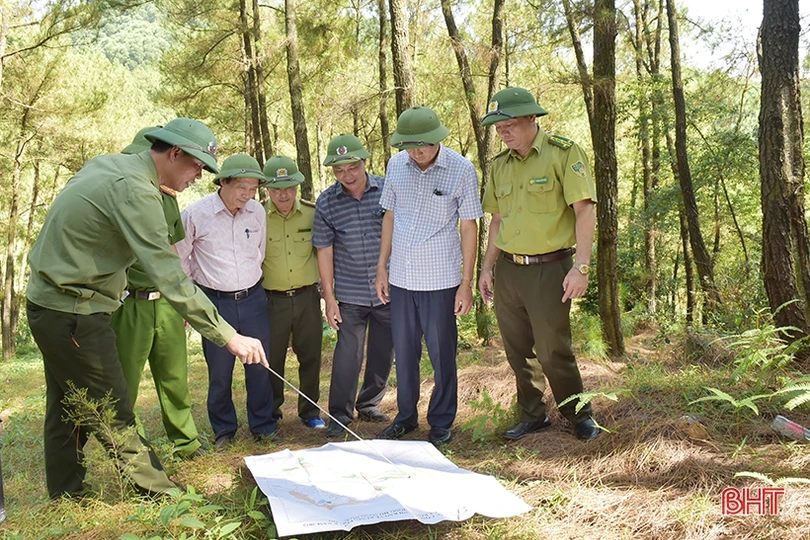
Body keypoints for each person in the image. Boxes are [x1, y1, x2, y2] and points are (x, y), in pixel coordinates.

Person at [26, 118, 268, 499]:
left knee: (67, 405)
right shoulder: (137, 191)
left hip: (52, 305)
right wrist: (228, 335)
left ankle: (68, 493)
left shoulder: (111, 165)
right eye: (196, 167)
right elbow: (169, 275)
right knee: (113, 409)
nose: (197, 177)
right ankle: (162, 495)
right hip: (74, 312)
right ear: (174, 153)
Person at [478, 86, 601, 441]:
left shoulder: (563, 154)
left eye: (510, 125)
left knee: (552, 349)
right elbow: (497, 221)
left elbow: (584, 210)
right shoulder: (499, 166)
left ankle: (579, 416)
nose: (503, 133)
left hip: (551, 268)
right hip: (510, 271)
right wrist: (487, 269)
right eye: (499, 128)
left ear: (532, 118)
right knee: (518, 350)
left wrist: (581, 266)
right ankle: (533, 415)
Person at [375, 107, 482, 446]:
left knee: (441, 353)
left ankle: (440, 422)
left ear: (437, 139)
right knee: (404, 354)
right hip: (402, 277)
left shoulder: (462, 170)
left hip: (441, 279)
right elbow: (389, 216)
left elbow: (469, 226)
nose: (416, 152)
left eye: (422, 145)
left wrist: (466, 282)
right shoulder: (396, 165)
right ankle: (406, 417)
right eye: (409, 146)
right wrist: (382, 266)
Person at [110, 126, 204, 459]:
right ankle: (129, 448)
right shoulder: (122, 191)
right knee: (126, 380)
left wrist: (181, 304)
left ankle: (187, 442)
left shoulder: (166, 198)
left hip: (164, 301)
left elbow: (173, 249)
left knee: (175, 375)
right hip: (129, 303)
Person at [175, 154, 277, 448]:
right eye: (241, 187)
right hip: (214, 302)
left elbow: (258, 252)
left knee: (259, 364)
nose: (247, 195)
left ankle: (263, 426)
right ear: (223, 182)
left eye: (253, 189)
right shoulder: (195, 214)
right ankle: (224, 431)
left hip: (253, 298)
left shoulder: (257, 212)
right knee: (219, 371)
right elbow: (181, 260)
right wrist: (187, 305)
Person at [313, 134, 395, 438]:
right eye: (339, 171)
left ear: (364, 163)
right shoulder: (327, 202)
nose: (347, 176)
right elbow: (324, 250)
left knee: (383, 351)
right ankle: (339, 414)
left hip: (387, 291)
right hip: (349, 293)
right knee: (348, 354)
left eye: (353, 168)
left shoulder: (387, 189)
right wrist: (329, 298)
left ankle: (370, 403)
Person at [261, 155, 325, 430]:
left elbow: (323, 252)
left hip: (307, 297)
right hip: (270, 300)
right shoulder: (255, 215)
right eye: (276, 189)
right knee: (272, 358)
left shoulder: (313, 213)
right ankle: (272, 412)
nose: (283, 194)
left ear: (298, 187)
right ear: (267, 190)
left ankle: (310, 411)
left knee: (310, 355)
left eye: (288, 188)